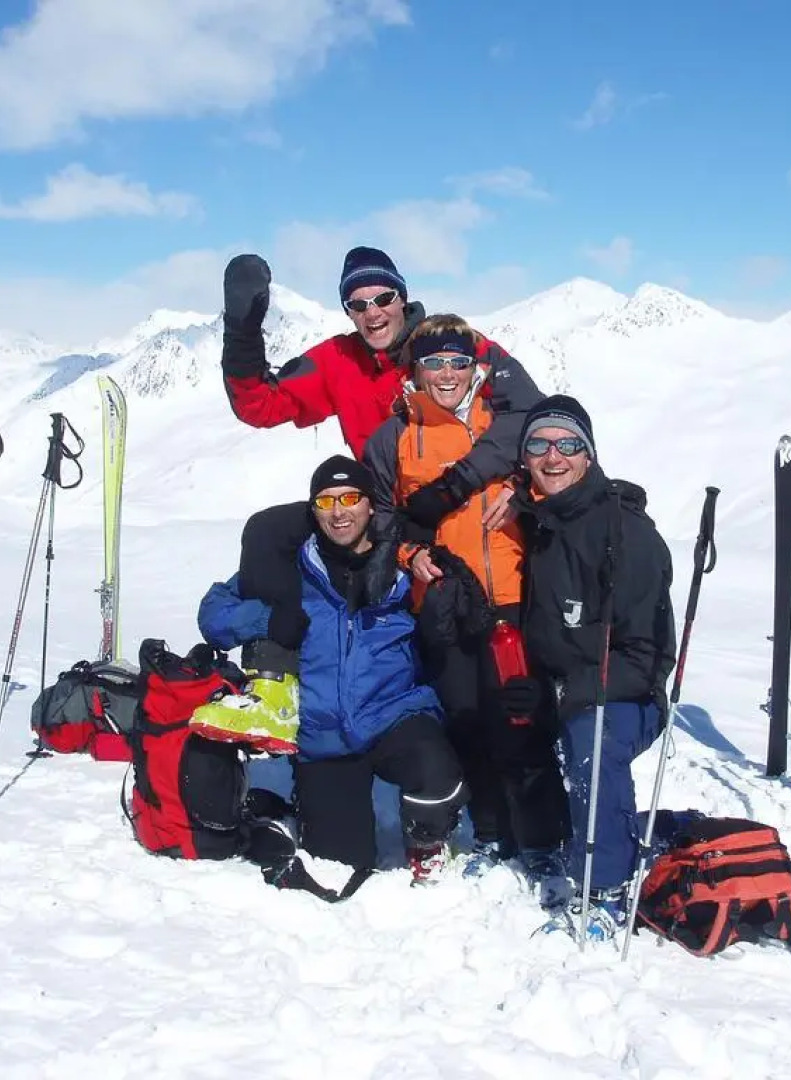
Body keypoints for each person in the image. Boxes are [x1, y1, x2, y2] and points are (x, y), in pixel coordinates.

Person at [217, 247, 545, 733]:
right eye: (358, 304)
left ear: (402, 298)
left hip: (461, 505)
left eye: (383, 298)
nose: (372, 313)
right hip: (381, 509)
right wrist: (242, 330)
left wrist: (471, 482)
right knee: (269, 531)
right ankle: (273, 680)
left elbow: (534, 414)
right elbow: (260, 405)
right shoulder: (338, 359)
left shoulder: (447, 346)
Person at [362, 314, 570, 903]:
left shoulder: (505, 424)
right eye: (435, 363)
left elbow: (555, 475)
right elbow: (380, 521)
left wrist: (521, 494)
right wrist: (410, 555)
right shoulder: (392, 438)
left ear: (475, 368)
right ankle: (491, 831)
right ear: (416, 371)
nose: (448, 374)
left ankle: (542, 839)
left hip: (514, 598)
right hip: (444, 605)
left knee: (522, 721)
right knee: (467, 720)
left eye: (458, 362)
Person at [197, 455, 465, 885]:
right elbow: (213, 615)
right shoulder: (289, 568)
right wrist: (267, 619)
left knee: (435, 771)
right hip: (322, 734)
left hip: (394, 715)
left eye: (350, 498)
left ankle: (426, 843)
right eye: (326, 501)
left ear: (370, 506)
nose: (339, 512)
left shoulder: (402, 567)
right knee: (338, 860)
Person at [511, 395, 676, 936]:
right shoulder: (537, 519)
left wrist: (562, 694)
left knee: (592, 742)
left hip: (626, 695)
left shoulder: (626, 536)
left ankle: (606, 884)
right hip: (561, 684)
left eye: (567, 444)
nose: (553, 456)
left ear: (588, 455)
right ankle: (547, 838)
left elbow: (646, 658)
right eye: (539, 444)